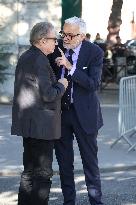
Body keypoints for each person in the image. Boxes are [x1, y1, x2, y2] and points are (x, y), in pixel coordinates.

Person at [11, 22, 68, 205]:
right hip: (41, 127)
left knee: (29, 173)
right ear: (43, 40)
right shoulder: (40, 60)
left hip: (29, 124)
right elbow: (49, 94)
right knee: (42, 175)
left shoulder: (26, 56)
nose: (56, 43)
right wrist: (62, 84)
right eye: (54, 39)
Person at [48, 16, 104, 205]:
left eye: (71, 35)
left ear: (82, 36)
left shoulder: (94, 52)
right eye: (64, 33)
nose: (66, 38)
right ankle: (68, 201)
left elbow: (93, 84)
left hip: (85, 115)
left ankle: (96, 202)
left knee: (90, 162)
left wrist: (70, 67)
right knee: (64, 163)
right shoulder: (56, 48)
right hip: (62, 114)